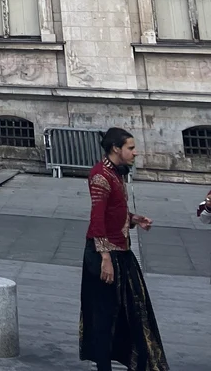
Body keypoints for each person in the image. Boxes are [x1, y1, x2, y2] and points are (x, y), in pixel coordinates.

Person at [79, 126, 169, 371]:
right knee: (105, 315)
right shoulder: (100, 176)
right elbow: (97, 219)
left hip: (122, 252)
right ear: (116, 149)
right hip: (104, 254)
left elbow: (114, 212)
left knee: (133, 311)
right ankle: (104, 367)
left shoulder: (116, 174)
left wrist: (134, 219)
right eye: (130, 148)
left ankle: (137, 363)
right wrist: (104, 257)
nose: (135, 152)